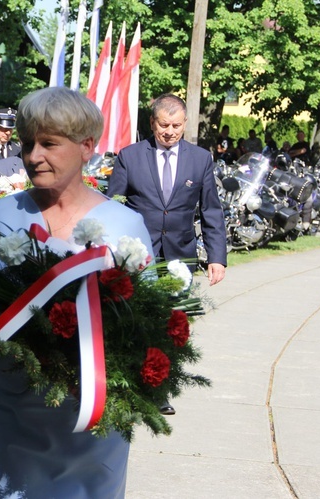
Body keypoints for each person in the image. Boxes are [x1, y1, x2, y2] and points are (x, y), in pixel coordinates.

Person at [0, 87, 152, 498]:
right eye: (28, 143)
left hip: (90, 424)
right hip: (10, 416)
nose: (32, 156)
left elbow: (147, 323)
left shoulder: (126, 225)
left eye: (49, 143)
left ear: (87, 147)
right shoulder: (2, 214)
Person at [107, 93, 227, 415]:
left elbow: (211, 212)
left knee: (172, 324)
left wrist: (217, 256)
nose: (170, 131)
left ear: (185, 123)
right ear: (152, 123)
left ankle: (161, 387)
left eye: (176, 125)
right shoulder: (129, 157)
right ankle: (131, 383)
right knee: (136, 320)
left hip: (180, 257)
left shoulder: (200, 159)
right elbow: (113, 205)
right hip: (138, 256)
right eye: (163, 125)